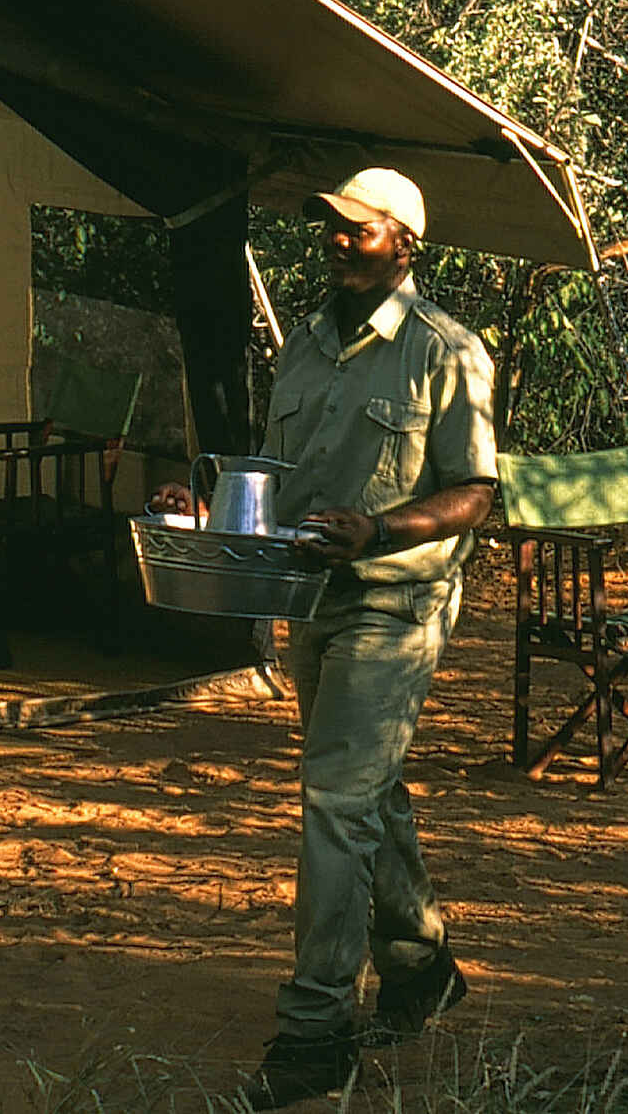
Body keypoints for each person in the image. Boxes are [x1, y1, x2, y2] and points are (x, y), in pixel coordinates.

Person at [240, 166, 497, 1109]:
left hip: (397, 603)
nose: (339, 240)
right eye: (333, 228)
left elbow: (476, 491)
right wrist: (213, 493)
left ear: (407, 243)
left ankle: (316, 1035)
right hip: (310, 600)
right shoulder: (302, 347)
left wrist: (382, 531)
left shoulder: (446, 351)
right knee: (363, 792)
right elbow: (275, 466)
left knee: (333, 802)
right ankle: (422, 966)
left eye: (360, 229)